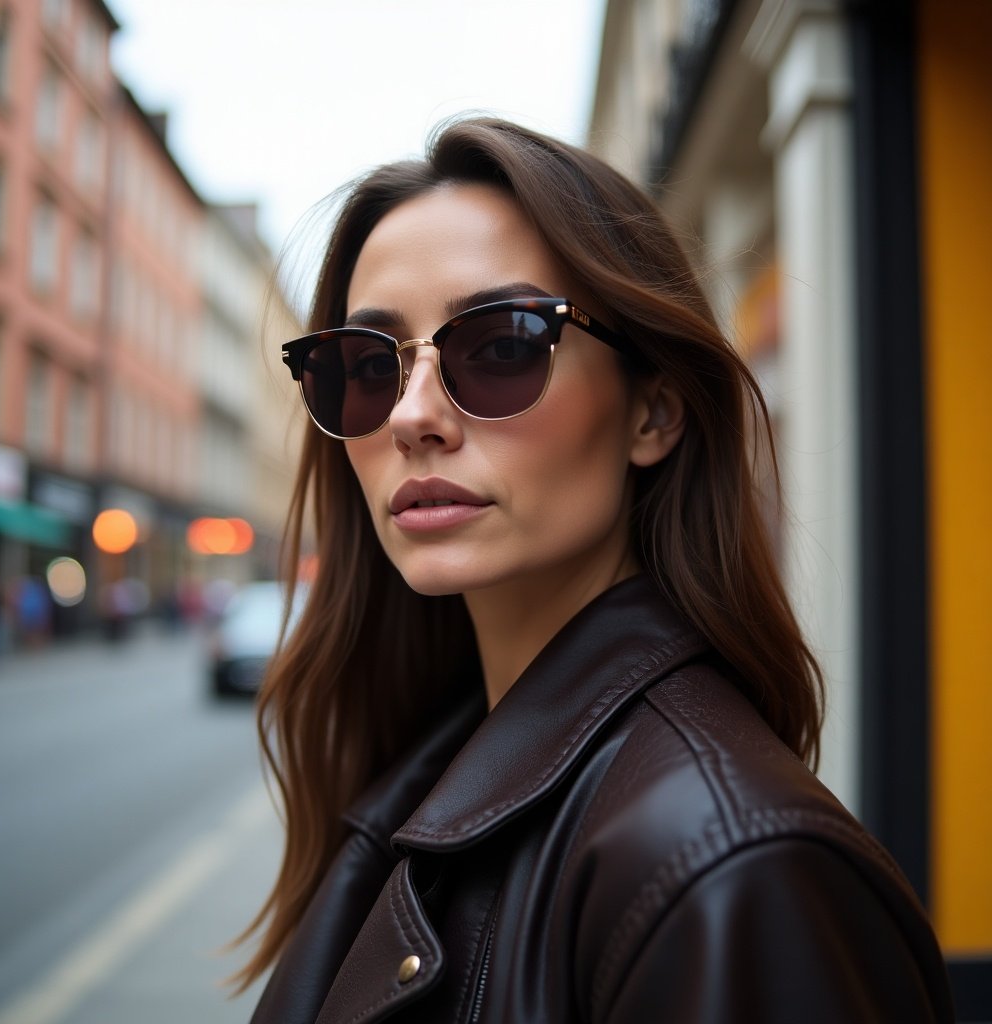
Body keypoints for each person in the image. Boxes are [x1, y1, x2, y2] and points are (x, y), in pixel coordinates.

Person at [241, 118, 953, 1022]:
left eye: (499, 346)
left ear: (653, 412)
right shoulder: (428, 768)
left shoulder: (731, 867)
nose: (413, 416)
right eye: (365, 367)